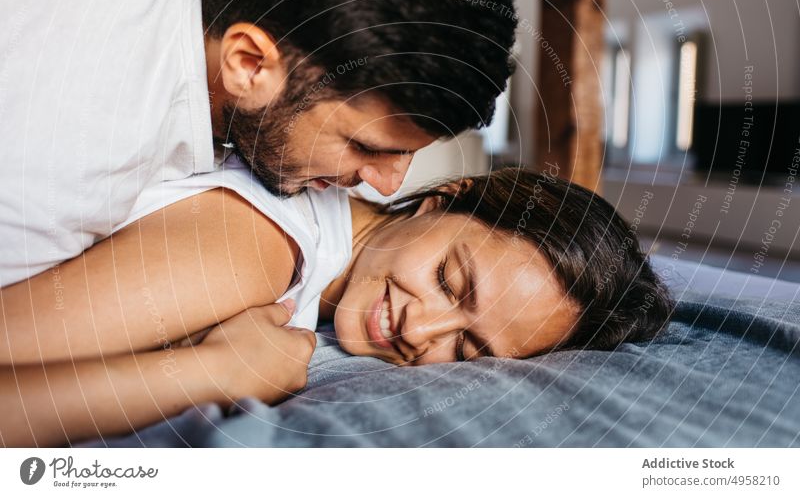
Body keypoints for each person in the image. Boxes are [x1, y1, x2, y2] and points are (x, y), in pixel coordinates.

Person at [0, 159, 674, 446]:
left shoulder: (313, 258)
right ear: (442, 200)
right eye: (450, 279)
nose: (421, 329)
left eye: (466, 349)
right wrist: (215, 375)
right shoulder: (257, 250)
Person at [0, 0, 517, 287]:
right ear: (249, 62)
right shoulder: (59, 172)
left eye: (406, 153)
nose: (387, 185)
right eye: (364, 146)